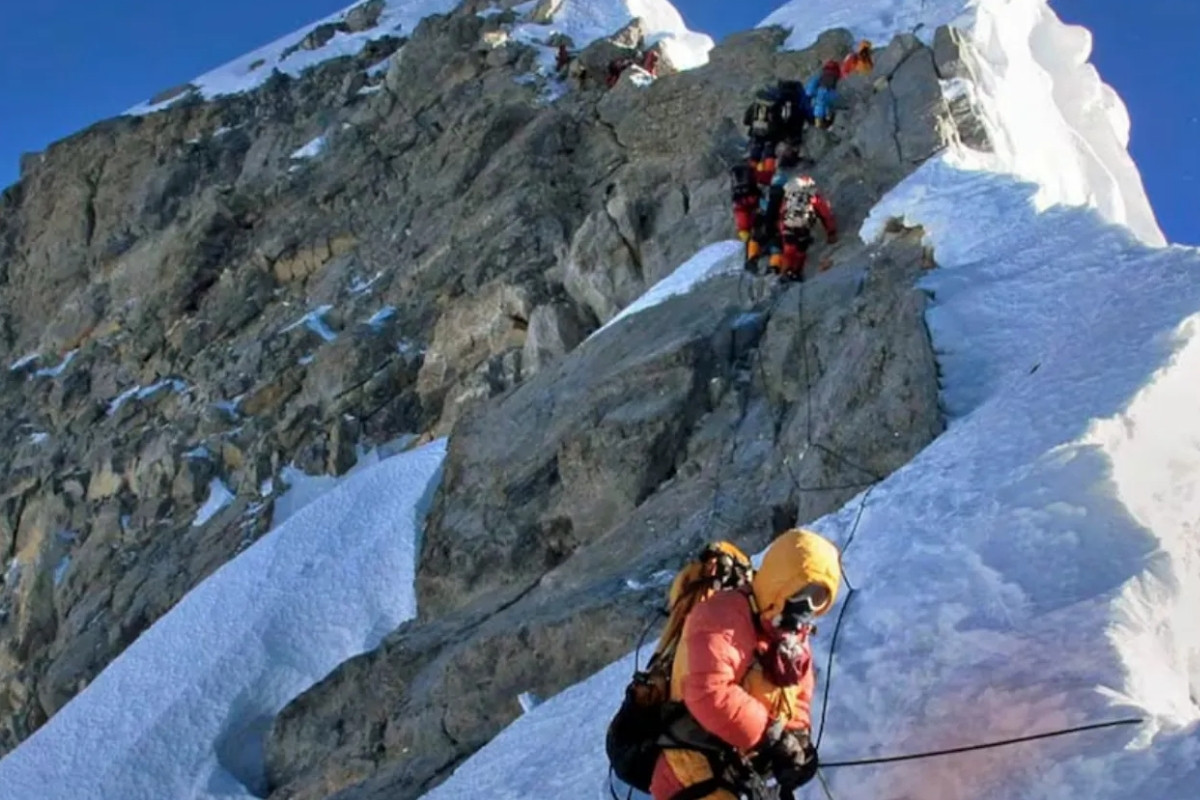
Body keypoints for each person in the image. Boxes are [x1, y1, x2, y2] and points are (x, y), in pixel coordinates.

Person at [648, 529, 842, 800]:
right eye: (802, 590)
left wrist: (796, 737)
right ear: (780, 580)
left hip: (741, 774)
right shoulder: (719, 617)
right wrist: (773, 736)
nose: (807, 604)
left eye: (818, 597)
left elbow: (797, 689)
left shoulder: (788, 632)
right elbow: (708, 692)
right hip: (693, 774)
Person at [770, 174, 837, 282]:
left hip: (788, 226)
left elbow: (782, 213)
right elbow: (825, 213)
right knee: (800, 251)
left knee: (788, 250)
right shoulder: (812, 196)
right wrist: (831, 231)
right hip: (803, 227)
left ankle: (784, 273)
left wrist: (782, 229)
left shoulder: (789, 195)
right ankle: (796, 273)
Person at [805, 60, 842, 128]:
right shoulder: (828, 90)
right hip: (821, 115)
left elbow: (809, 92)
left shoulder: (818, 78)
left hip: (814, 112)